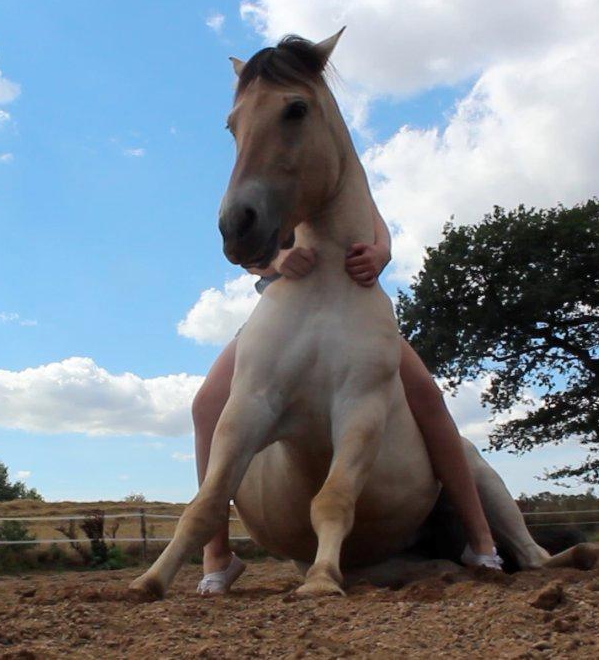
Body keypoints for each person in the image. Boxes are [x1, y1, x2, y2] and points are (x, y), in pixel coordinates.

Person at [193, 204, 502, 595]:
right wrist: (277, 259)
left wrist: (381, 253)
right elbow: (247, 249)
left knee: (428, 396)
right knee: (206, 405)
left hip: (354, 313)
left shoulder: (336, 172)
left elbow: (376, 227)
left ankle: (480, 539)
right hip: (280, 318)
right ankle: (216, 553)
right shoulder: (276, 177)